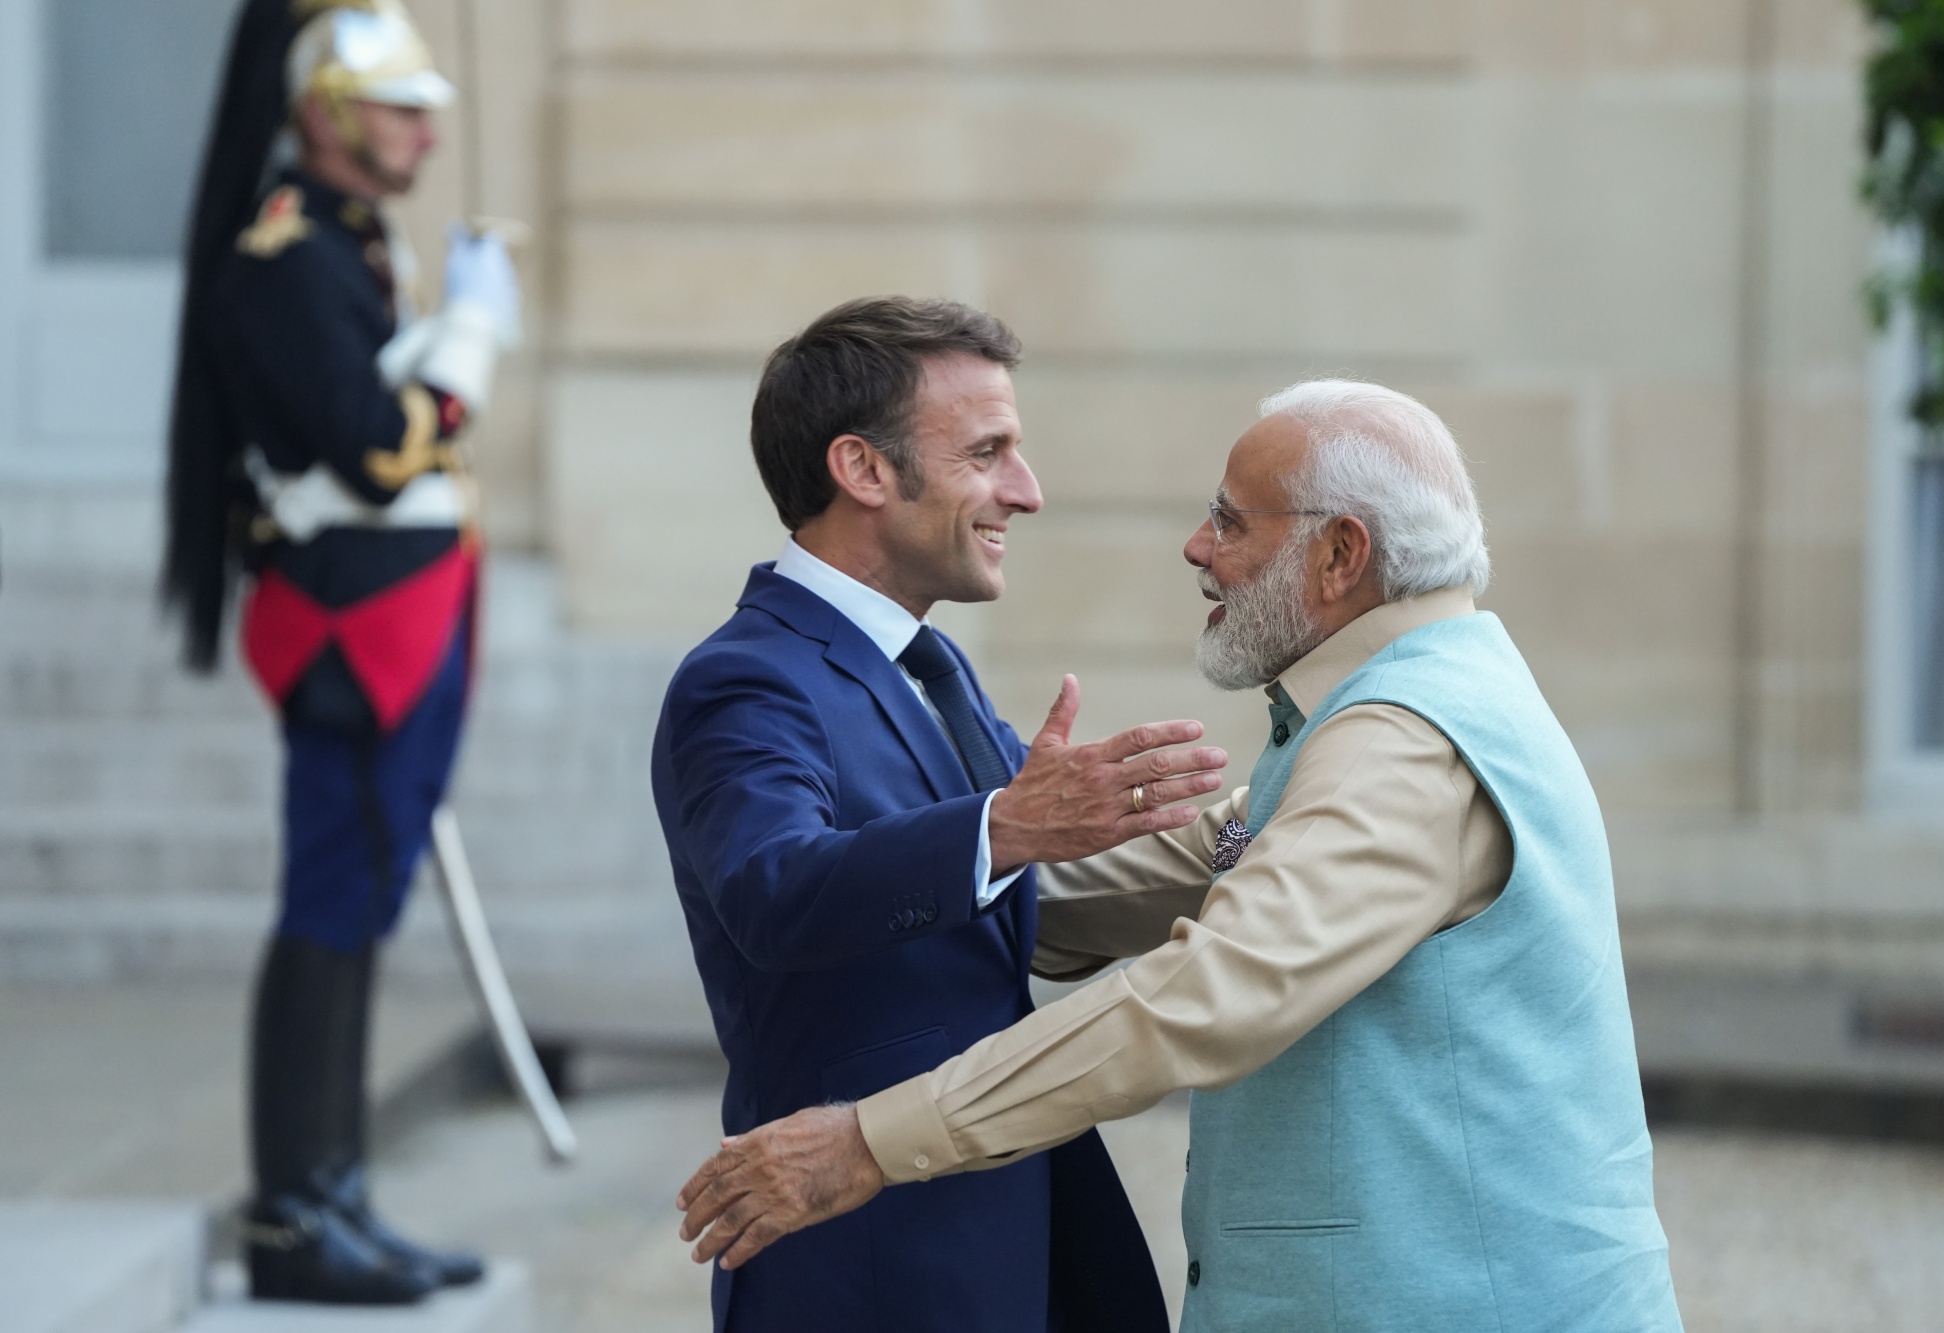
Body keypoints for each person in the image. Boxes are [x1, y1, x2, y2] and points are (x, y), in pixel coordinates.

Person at [675, 379, 1687, 1331]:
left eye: (1230, 521)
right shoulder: (1388, 711)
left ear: (1339, 556)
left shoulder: (1403, 745)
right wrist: (980, 840)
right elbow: (1081, 896)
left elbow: (1202, 995)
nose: (1196, 547)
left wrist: (867, 1143)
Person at [652, 297, 1232, 1332]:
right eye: (986, 453)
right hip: (870, 1264)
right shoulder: (743, 679)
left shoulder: (930, 661)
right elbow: (771, 891)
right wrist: (1003, 826)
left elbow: (1040, 869)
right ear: (863, 471)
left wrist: (1265, 822)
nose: (1028, 491)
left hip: (1006, 1223)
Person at [162, 0, 518, 1306]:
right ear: (325, 115)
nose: (425, 127)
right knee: (330, 905)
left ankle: (337, 1188)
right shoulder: (284, 254)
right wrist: (469, 342)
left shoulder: (352, 242)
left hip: (395, 617)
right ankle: (292, 1213)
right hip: (345, 625)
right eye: (397, 106)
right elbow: (365, 446)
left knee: (360, 904)